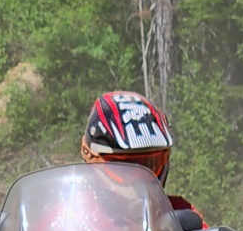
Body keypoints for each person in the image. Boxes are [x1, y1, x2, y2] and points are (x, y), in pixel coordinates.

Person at [81, 90, 202, 220]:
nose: (138, 181)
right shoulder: (74, 215)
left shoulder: (179, 212)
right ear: (92, 158)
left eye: (149, 165)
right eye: (123, 168)